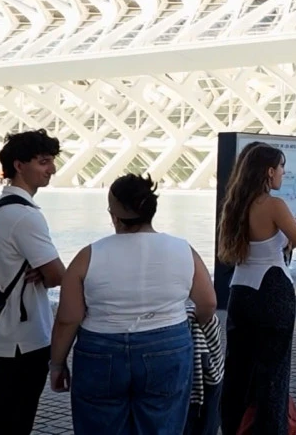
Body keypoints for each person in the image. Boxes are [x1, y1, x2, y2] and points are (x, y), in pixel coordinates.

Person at [49, 174, 215, 433]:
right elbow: (208, 303)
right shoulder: (183, 250)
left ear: (114, 213)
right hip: (167, 347)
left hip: (100, 351)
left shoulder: (88, 256)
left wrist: (57, 364)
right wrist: (194, 323)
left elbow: (68, 319)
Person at [218, 143, 296, 433]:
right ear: (268, 171)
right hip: (272, 291)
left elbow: (250, 247)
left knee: (239, 370)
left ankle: (234, 427)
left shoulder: (235, 204)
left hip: (240, 291)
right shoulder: (274, 205)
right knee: (273, 375)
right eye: (281, 167)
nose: (283, 173)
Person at [0, 130, 66, 435]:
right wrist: (47, 272)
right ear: (19, 165)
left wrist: (42, 269)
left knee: (5, 417)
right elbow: (59, 276)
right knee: (15, 421)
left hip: (0, 334)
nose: (51, 170)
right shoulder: (24, 216)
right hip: (23, 340)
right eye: (43, 162)